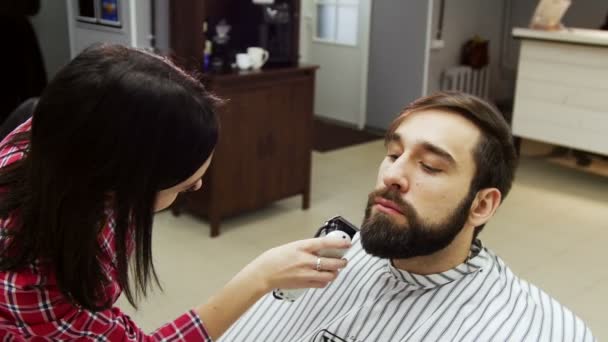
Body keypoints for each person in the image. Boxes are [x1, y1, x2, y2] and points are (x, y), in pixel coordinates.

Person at [0, 43, 350, 341]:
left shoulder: (67, 129)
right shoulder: (32, 279)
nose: (197, 185)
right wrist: (259, 277)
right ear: (121, 180)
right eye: (183, 185)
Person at [220, 92, 596, 341]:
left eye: (430, 166)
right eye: (393, 153)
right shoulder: (340, 256)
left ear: (481, 205)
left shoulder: (529, 328)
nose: (392, 175)